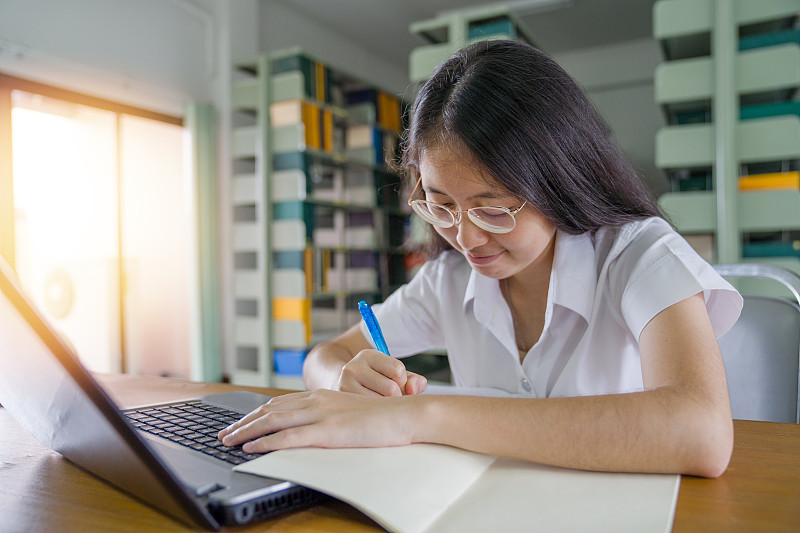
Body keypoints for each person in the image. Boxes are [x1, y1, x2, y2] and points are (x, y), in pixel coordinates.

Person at [219, 40, 742, 477]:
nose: (465, 238)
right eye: (441, 205)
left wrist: (424, 415)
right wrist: (345, 382)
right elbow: (323, 355)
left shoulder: (638, 254)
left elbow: (701, 431)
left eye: (492, 209)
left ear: (560, 181)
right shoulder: (447, 279)